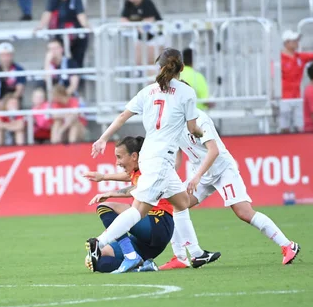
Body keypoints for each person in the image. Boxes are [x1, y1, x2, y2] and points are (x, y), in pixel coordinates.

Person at [85, 48, 216, 274]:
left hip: (150, 157)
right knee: (138, 211)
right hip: (161, 160)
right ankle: (101, 242)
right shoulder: (186, 92)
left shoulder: (147, 91)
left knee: (182, 202)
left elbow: (122, 117)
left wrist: (103, 138)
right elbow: (192, 128)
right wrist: (203, 134)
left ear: (160, 66)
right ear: (182, 68)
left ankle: (196, 253)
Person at [158, 108, 300, 268]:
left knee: (244, 212)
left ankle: (288, 245)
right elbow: (178, 155)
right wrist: (169, 175)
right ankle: (181, 257)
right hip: (203, 174)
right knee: (175, 203)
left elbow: (214, 151)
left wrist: (196, 176)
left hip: (222, 170)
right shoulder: (174, 122)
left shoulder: (199, 119)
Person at [83, 136, 178, 273]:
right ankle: (142, 266)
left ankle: (130, 255)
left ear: (134, 156)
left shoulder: (150, 169)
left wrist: (110, 193)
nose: (117, 162)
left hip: (158, 222)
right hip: (144, 241)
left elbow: (140, 187)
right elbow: (128, 176)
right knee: (99, 261)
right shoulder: (136, 170)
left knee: (105, 208)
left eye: (119, 157)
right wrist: (103, 177)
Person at [36, 0, 90, 67]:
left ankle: (77, 79)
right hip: (60, 36)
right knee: (60, 60)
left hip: (75, 35)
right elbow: (47, 13)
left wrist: (86, 25)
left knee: (77, 61)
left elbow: (80, 14)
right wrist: (40, 26)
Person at [280, 30, 313, 133]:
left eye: (297, 40)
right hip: (284, 98)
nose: (297, 42)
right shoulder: (279, 59)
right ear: (287, 43)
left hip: (297, 97)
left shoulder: (300, 57)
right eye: (294, 40)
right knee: (284, 128)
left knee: (299, 128)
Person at [120, 0, 164, 72]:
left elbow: (148, 23)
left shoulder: (146, 2)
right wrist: (137, 25)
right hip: (140, 38)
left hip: (153, 38)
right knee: (139, 62)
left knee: (152, 63)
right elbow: (123, 20)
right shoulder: (128, 3)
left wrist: (136, 25)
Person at [0, 42, 26, 110]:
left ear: (12, 55)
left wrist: (7, 102)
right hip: (0, 101)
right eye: (3, 55)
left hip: (14, 101)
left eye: (8, 55)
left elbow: (19, 91)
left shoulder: (19, 70)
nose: (6, 58)